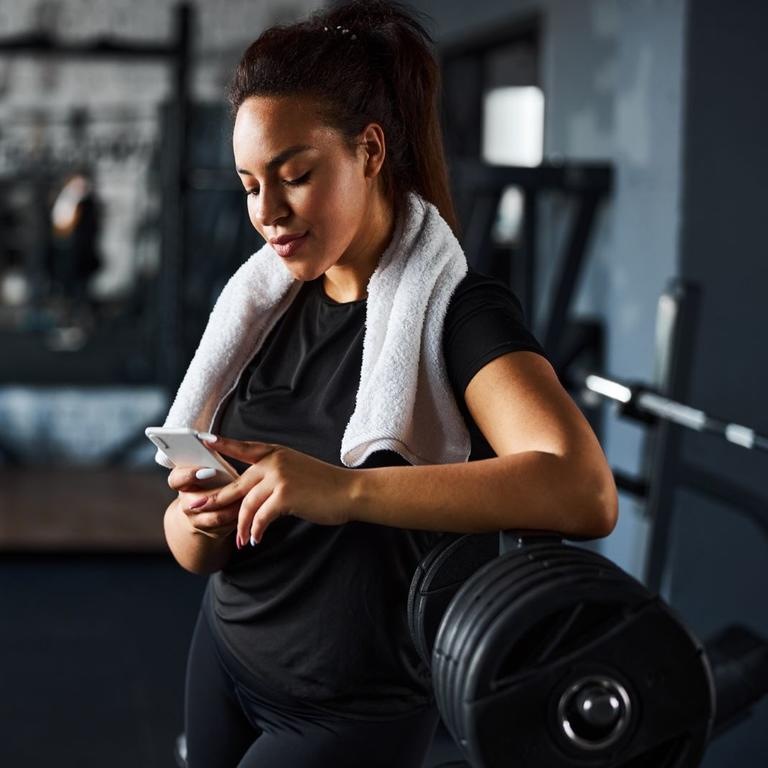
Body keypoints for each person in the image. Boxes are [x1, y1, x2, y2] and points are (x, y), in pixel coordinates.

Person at [160, 2, 618, 766]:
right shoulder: (261, 306)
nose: (267, 213)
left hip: (351, 706)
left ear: (370, 150)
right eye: (249, 185)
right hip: (225, 657)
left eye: (295, 176)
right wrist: (200, 522)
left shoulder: (457, 313)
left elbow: (583, 490)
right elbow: (192, 547)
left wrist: (345, 490)